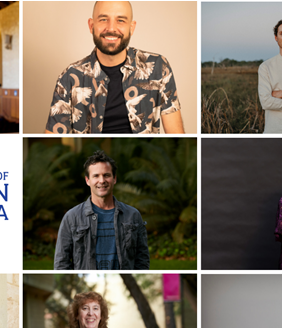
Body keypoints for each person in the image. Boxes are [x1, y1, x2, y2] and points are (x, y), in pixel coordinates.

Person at [45, 1, 183, 134]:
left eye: (121, 20)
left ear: (131, 27)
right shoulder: (69, 77)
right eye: (103, 19)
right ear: (91, 25)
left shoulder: (158, 68)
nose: (111, 28)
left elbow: (176, 132)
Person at [54, 149, 149, 270]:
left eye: (106, 175)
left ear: (114, 179)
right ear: (87, 180)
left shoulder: (133, 215)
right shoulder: (72, 217)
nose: (102, 180)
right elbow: (61, 262)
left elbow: (142, 259)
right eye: (96, 176)